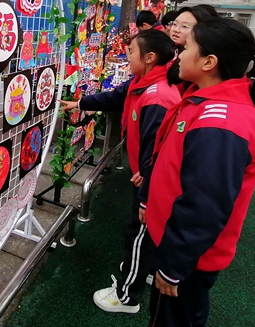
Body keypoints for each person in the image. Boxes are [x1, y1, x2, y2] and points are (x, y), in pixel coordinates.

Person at [140, 18, 255, 327]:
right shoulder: (204, 100)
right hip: (178, 244)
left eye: (187, 48)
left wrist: (174, 266)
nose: (179, 54)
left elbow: (205, 205)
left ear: (209, 62)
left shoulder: (221, 123)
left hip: (189, 258)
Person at [59, 30, 181, 314]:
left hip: (151, 182)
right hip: (145, 175)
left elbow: (159, 148)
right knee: (145, 235)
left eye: (131, 53)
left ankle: (127, 296)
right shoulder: (143, 81)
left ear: (149, 58)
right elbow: (115, 97)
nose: (127, 58)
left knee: (138, 234)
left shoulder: (158, 97)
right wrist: (80, 103)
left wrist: (146, 187)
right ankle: (145, 271)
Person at [166, 6, 219, 92]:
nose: (176, 30)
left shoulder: (201, 60)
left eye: (184, 26)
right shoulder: (171, 50)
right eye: (174, 24)